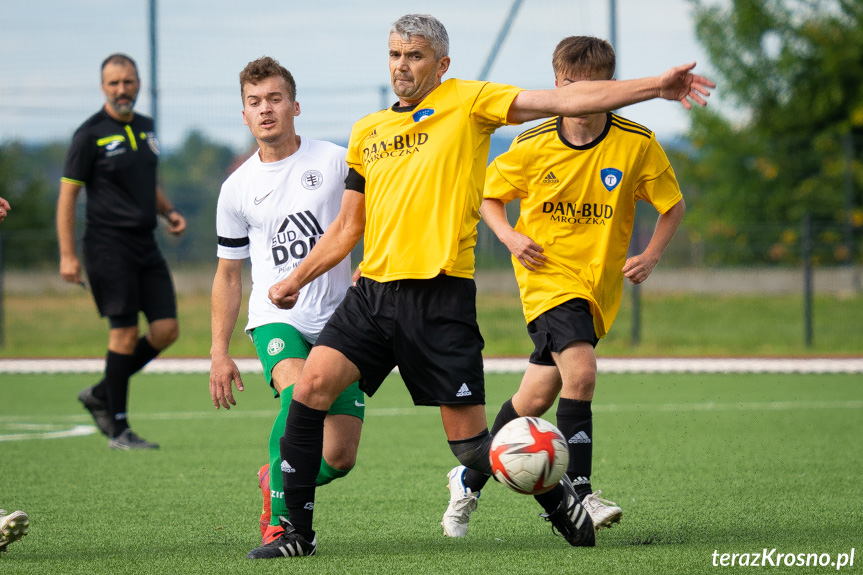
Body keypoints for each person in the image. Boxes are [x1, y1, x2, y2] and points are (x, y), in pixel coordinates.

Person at [258, 14, 712, 558]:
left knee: (474, 447)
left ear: (441, 64)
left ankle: (560, 499)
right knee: (309, 392)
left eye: (416, 55)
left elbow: (561, 101)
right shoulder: (367, 132)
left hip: (439, 299)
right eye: (396, 54)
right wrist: (296, 278)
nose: (403, 65)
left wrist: (655, 88)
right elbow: (348, 227)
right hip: (373, 295)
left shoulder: (469, 103)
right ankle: (295, 536)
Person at [451, 35, 687, 537]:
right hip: (546, 281)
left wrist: (650, 255)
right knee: (581, 373)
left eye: (594, 87)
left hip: (597, 288)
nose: (582, 97)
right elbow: (488, 197)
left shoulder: (637, 143)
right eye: (573, 86)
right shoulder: (533, 143)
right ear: (558, 85)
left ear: (610, 88)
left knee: (534, 398)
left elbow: (672, 205)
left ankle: (469, 476)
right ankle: (579, 492)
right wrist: (512, 237)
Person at [209, 57, 364, 556]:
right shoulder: (236, 188)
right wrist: (218, 350)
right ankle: (282, 525)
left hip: (342, 321)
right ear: (244, 115)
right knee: (298, 390)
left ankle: (273, 473)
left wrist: (371, 263)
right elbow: (228, 274)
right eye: (255, 102)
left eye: (274, 99)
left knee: (339, 458)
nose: (265, 109)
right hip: (277, 319)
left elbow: (375, 219)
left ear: (295, 106)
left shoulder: (336, 161)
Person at [57, 53, 187, 450]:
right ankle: (118, 427)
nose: (122, 89)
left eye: (128, 81)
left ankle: (100, 392)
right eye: (114, 83)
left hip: (145, 243)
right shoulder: (89, 133)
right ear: (103, 87)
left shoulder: (147, 128)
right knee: (125, 333)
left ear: (138, 83)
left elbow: (146, 182)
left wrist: (169, 212)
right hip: (106, 245)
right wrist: (67, 254)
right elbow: (67, 198)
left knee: (166, 331)